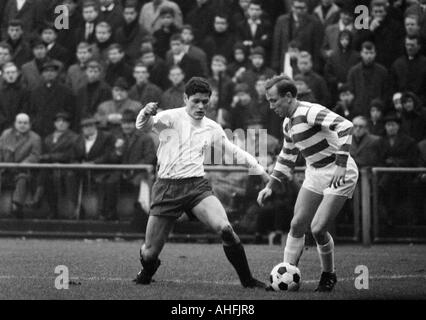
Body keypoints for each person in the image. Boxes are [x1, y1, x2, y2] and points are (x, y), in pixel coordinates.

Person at [133, 77, 268, 288]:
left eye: (205, 101)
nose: (201, 106)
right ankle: (147, 270)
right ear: (185, 98)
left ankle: (247, 280)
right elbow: (143, 126)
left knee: (225, 229)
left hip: (196, 187)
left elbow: (233, 151)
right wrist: (145, 112)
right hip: (167, 188)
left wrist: (260, 170)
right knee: (149, 253)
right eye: (196, 101)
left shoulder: (212, 127)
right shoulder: (170, 118)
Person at [257, 75, 359, 292]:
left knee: (318, 229)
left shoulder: (309, 111)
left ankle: (328, 275)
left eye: (273, 100)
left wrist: (341, 163)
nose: (271, 105)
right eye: (268, 101)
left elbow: (346, 126)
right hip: (316, 172)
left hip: (339, 171)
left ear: (288, 96)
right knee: (296, 225)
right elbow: (287, 156)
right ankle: (286, 271)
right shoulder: (287, 123)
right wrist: (270, 186)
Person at [0, 113, 41, 219]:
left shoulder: (35, 138)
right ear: (15, 123)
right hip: (5, 169)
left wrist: (21, 164)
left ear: (29, 125)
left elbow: (35, 156)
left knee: (22, 179)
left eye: (25, 123)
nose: (22, 125)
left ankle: (16, 208)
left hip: (22, 170)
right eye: (20, 122)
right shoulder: (6, 134)